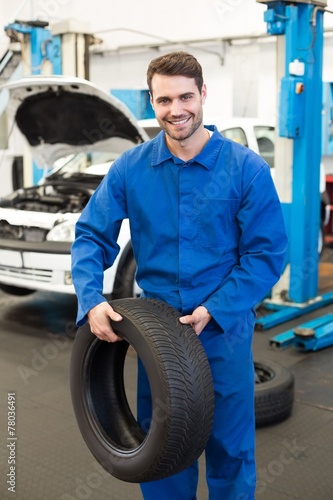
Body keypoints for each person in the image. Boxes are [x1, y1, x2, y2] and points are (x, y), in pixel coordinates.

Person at [71, 51, 288, 499]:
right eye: (164, 99)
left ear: (203, 93)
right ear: (152, 101)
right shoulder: (131, 168)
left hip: (222, 330)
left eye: (185, 96)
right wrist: (91, 298)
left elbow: (267, 253)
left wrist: (217, 306)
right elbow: (91, 235)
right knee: (164, 451)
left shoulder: (245, 169)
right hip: (160, 334)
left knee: (230, 451)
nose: (176, 110)